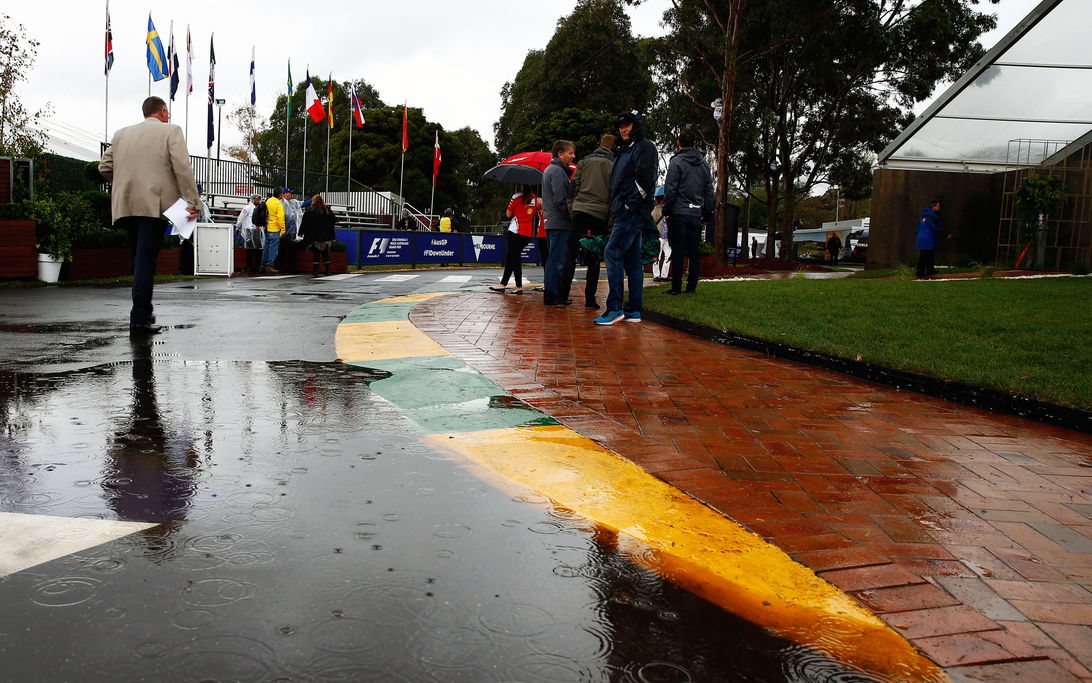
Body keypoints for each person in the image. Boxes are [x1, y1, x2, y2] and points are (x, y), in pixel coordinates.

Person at [98, 96, 199, 335]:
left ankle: (145, 311)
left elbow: (104, 167)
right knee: (145, 261)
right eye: (168, 114)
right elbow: (182, 168)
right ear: (163, 112)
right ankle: (139, 319)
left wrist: (125, 183)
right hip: (153, 206)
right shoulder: (171, 131)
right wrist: (193, 201)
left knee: (139, 259)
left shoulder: (121, 134)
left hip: (126, 205)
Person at [596, 111, 657, 325]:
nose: (623, 128)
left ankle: (615, 308)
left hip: (631, 212)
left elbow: (646, 179)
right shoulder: (626, 149)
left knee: (612, 253)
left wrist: (628, 204)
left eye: (628, 124)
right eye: (621, 125)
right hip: (628, 211)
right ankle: (633, 311)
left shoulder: (645, 147)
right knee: (633, 262)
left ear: (636, 125)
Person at [663, 130, 714, 296]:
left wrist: (667, 210)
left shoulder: (676, 162)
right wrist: (707, 212)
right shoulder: (703, 164)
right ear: (695, 143)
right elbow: (708, 189)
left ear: (679, 143)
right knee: (694, 250)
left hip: (679, 211)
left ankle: (676, 287)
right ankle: (692, 286)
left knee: (677, 250)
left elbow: (670, 189)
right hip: (695, 213)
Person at [569, 134, 615, 308]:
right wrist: (610, 219)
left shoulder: (583, 161)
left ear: (598, 144)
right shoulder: (614, 164)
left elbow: (572, 187)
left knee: (570, 252)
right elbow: (614, 194)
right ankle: (590, 299)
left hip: (580, 209)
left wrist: (572, 209)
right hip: (600, 213)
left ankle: (562, 295)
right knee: (595, 258)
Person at [542, 139, 577, 306]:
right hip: (559, 222)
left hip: (553, 221)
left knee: (554, 260)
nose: (573, 156)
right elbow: (561, 200)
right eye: (570, 153)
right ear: (560, 153)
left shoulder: (551, 170)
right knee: (556, 261)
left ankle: (553, 295)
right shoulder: (557, 171)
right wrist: (572, 217)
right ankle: (553, 296)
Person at [490, 185, 541, 294]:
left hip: (515, 231)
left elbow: (508, 214)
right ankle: (503, 284)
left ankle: (518, 286)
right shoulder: (536, 199)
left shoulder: (516, 197)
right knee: (511, 257)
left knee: (515, 258)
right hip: (527, 233)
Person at [299, 194, 338, 277]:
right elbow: (334, 220)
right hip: (326, 235)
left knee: (316, 253)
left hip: (314, 235)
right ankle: (328, 270)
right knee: (325, 253)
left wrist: (301, 232)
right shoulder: (327, 209)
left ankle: (316, 271)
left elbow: (304, 223)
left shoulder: (310, 210)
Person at [916, 199, 950, 277]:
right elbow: (938, 227)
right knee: (926, 255)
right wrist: (946, 233)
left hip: (921, 236)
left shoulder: (922, 215)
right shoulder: (933, 216)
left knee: (927, 254)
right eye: (938, 206)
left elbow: (917, 227)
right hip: (928, 237)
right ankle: (920, 272)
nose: (939, 208)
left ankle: (930, 270)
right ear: (933, 207)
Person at [235, 194, 264, 273]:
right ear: (253, 200)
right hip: (249, 230)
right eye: (257, 200)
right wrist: (238, 227)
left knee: (258, 249)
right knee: (249, 249)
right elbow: (241, 218)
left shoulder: (260, 208)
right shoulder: (247, 208)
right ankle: (249, 266)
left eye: (259, 200)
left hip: (257, 230)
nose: (258, 201)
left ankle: (257, 267)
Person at [261, 188, 286, 273]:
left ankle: (263, 265)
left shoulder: (268, 201)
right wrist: (282, 229)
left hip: (267, 226)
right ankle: (270, 266)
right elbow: (280, 218)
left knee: (266, 247)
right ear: (280, 195)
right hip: (274, 228)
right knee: (273, 248)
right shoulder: (279, 204)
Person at [650, 187, 669, 282]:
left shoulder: (670, 209)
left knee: (668, 257)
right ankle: (656, 275)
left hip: (668, 237)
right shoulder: (655, 210)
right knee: (656, 256)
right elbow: (652, 222)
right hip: (659, 236)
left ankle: (664, 275)